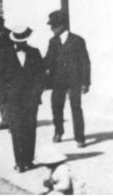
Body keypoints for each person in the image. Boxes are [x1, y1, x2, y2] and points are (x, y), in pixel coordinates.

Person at [1, 23, 46, 173]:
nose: (21, 43)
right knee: (16, 129)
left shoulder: (34, 52)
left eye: (23, 40)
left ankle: (29, 159)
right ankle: (19, 161)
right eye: (18, 41)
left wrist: (37, 92)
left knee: (30, 128)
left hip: (31, 98)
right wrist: (4, 98)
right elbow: (0, 78)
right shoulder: (5, 54)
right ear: (14, 41)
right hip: (13, 99)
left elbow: (41, 76)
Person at [44, 9, 91, 148]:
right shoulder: (53, 41)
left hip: (75, 80)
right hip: (58, 81)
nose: (51, 29)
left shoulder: (77, 40)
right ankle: (58, 131)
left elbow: (85, 62)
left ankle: (80, 137)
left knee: (76, 107)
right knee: (56, 106)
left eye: (53, 26)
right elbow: (48, 60)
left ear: (60, 25)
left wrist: (86, 82)